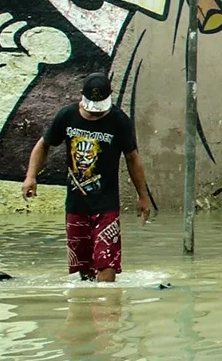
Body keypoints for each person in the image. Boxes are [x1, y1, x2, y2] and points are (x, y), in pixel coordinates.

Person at [21, 72, 152, 282]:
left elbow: (132, 157)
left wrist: (142, 195)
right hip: (76, 205)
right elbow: (43, 144)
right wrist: (31, 176)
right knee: (84, 269)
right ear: (81, 95)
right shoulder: (67, 116)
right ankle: (87, 310)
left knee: (107, 262)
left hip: (106, 205)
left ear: (111, 95)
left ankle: (107, 307)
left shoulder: (119, 121)